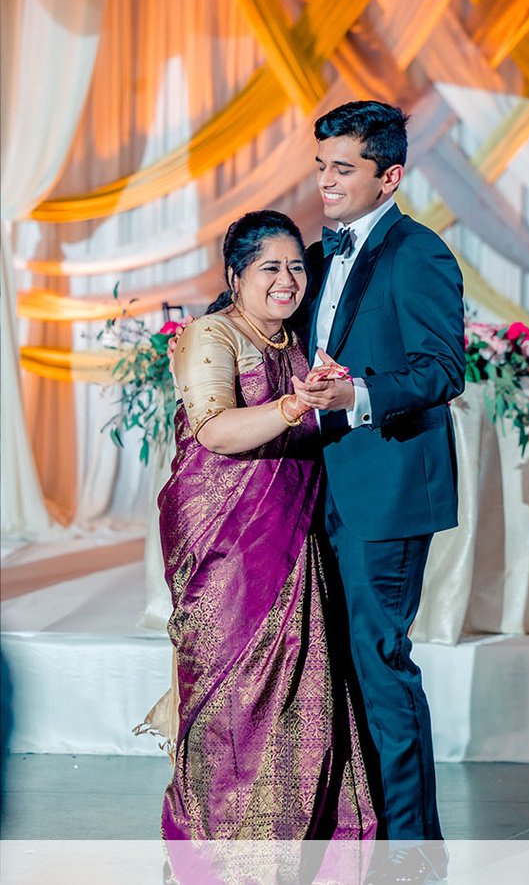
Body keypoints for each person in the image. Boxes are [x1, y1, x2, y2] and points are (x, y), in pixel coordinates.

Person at [157, 209, 374, 841]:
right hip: (223, 537)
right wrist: (294, 403)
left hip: (290, 529)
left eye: (297, 268)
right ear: (235, 275)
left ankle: (291, 842)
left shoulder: (296, 338)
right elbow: (214, 430)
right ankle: (219, 850)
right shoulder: (212, 334)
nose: (287, 281)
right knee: (230, 687)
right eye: (269, 268)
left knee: (296, 685)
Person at [288, 100, 465, 862]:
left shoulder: (419, 253)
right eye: (320, 166)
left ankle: (412, 853)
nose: (325, 181)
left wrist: (356, 393)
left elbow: (442, 369)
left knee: (380, 666)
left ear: (389, 176)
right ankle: (355, 838)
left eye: (342, 168)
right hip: (315, 488)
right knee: (334, 666)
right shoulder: (314, 254)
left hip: (385, 493)